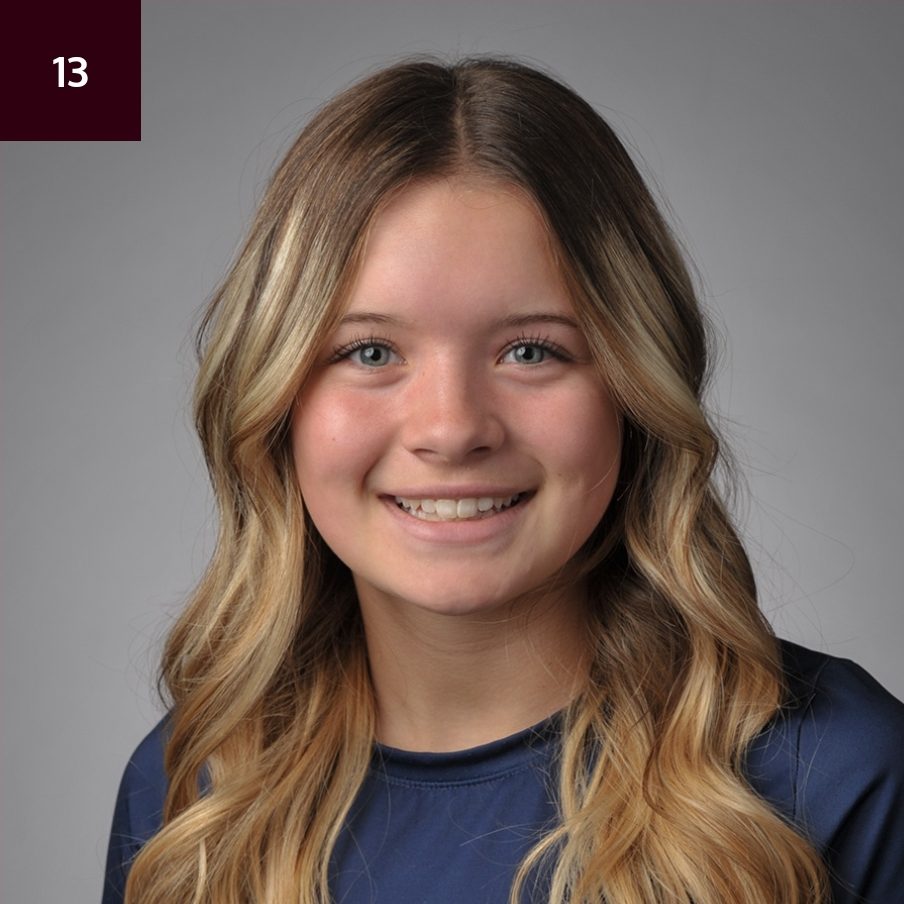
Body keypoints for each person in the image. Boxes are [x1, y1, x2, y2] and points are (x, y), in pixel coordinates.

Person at [102, 57, 904, 904]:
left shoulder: (837, 777)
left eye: (531, 351)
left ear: (634, 388)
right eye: (369, 351)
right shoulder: (192, 798)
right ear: (275, 400)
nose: (451, 429)